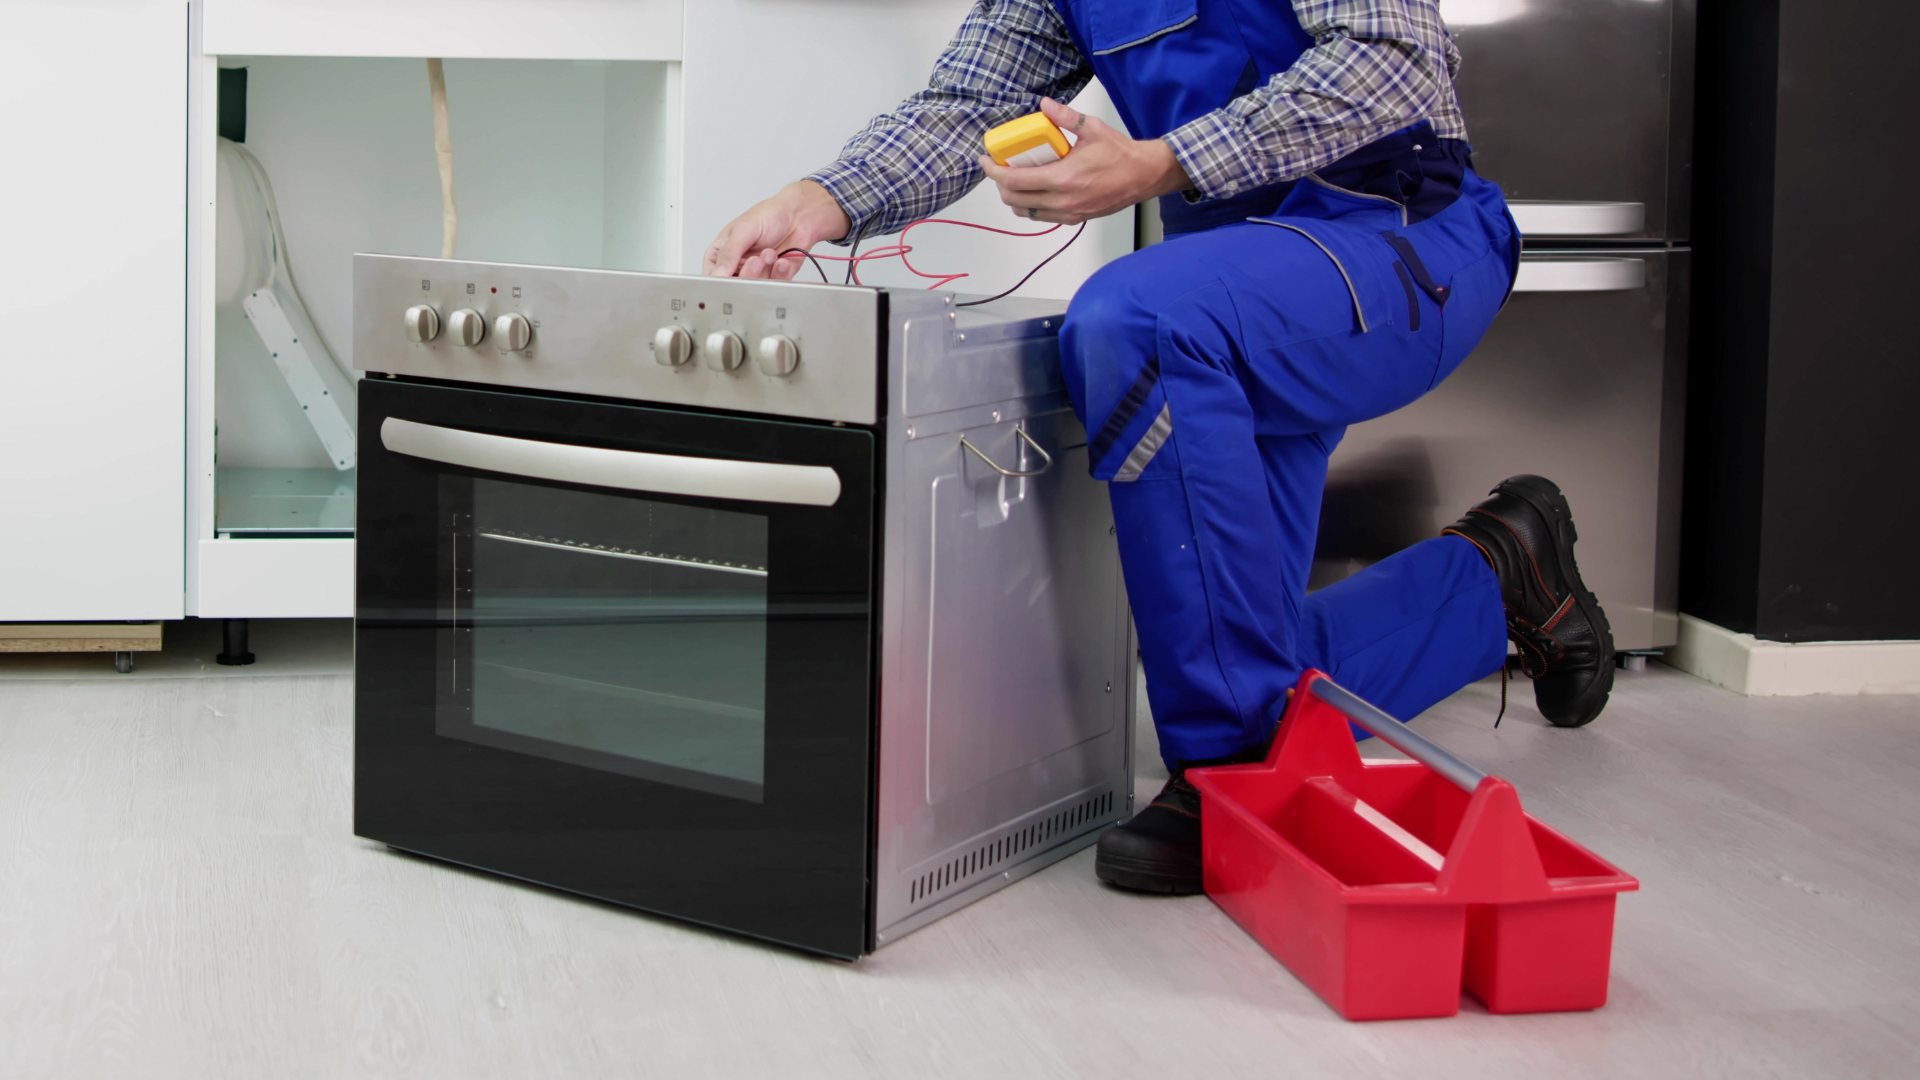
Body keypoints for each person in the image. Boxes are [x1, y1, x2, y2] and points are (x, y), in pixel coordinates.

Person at [704, 0, 1615, 895]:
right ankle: (1499, 573)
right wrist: (815, 201)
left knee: (1131, 319)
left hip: (1399, 238)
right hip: (1237, 285)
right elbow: (965, 106)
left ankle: (1225, 778)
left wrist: (1163, 161)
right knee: (1241, 654)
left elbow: (1395, 59)